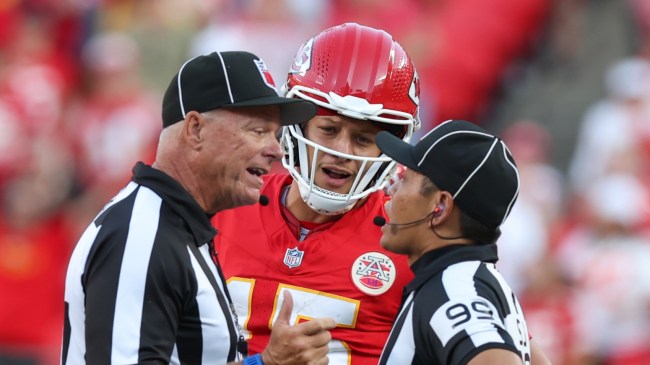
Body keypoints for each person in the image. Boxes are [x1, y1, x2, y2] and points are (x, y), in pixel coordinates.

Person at [61, 51, 336, 365]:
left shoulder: (173, 227)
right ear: (195, 129)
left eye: (275, 135)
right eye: (257, 131)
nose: (275, 150)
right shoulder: (142, 236)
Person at [212, 23, 420, 364]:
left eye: (363, 139)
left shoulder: (412, 238)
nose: (342, 151)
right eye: (329, 129)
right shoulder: (225, 206)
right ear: (297, 125)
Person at [375, 119, 535, 365]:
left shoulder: (454, 290)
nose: (391, 191)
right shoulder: (469, 281)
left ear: (439, 207)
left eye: (406, 180)